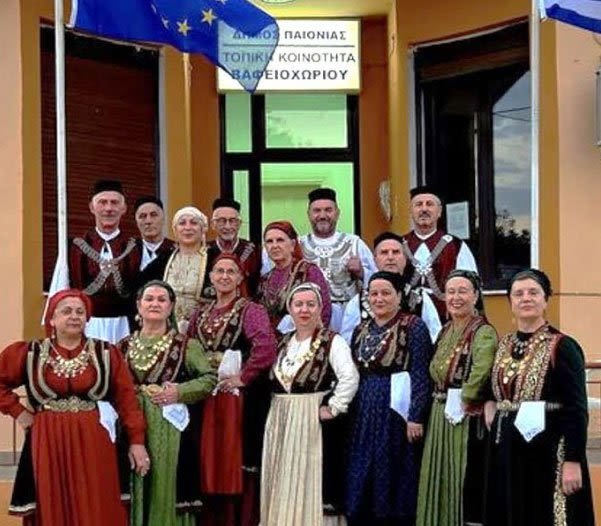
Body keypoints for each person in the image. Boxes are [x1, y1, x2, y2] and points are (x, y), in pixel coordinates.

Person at [0, 289, 149, 526]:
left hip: (93, 435)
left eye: (80, 312)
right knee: (52, 496)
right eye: (66, 311)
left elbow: (127, 399)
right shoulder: (30, 353)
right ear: (52, 319)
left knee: (95, 498)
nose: (74, 316)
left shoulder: (106, 353)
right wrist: (19, 412)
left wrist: (137, 441)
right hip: (47, 437)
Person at [482, 269, 595, 526]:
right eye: (518, 294)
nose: (526, 298)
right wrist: (489, 402)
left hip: (548, 451)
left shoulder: (562, 346)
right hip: (507, 449)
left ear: (546, 299)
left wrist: (573, 460)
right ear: (510, 302)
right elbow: (494, 384)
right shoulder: (505, 344)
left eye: (533, 292)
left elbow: (576, 408)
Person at [187, 254, 278, 526]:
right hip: (205, 396)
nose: (224, 276)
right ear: (211, 277)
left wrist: (244, 376)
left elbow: (266, 347)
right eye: (219, 271)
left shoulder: (251, 310)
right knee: (205, 455)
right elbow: (188, 348)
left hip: (236, 400)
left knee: (232, 455)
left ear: (240, 278)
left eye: (231, 272)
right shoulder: (200, 313)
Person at [261, 282, 359, 526]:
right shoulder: (283, 342)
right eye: (299, 305)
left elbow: (349, 376)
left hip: (310, 419)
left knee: (309, 475)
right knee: (282, 474)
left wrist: (334, 406)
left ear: (320, 308)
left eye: (310, 304)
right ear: (290, 309)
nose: (304, 310)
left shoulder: (332, 341)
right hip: (281, 417)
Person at [119, 280, 216, 526]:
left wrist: (180, 392)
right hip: (130, 424)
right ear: (138, 305)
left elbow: (209, 379)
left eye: (162, 300)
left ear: (171, 307)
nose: (155, 304)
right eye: (149, 299)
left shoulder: (186, 345)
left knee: (164, 483)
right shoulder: (122, 346)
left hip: (169, 428)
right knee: (132, 479)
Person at [346, 271, 433, 526]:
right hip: (365, 409)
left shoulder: (413, 326)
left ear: (399, 296)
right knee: (363, 469)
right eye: (373, 294)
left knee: (393, 470)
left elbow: (420, 374)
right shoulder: (361, 329)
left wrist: (416, 416)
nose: (379, 299)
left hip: (396, 411)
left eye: (386, 293)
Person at [416, 270, 497, 526]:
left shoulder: (483, 332)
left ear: (476, 296)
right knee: (437, 474)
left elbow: (482, 369)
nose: (456, 297)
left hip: (466, 415)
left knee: (460, 477)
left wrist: (466, 397)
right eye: (451, 292)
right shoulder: (445, 330)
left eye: (463, 291)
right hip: (439, 413)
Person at [54, 180, 139, 343]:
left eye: (114, 203)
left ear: (124, 209)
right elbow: (62, 288)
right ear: (92, 208)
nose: (108, 208)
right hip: (86, 324)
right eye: (102, 202)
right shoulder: (74, 247)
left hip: (125, 325)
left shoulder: (135, 247)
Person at [401, 186, 477, 342]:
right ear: (411, 211)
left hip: (447, 320)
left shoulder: (456, 246)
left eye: (429, 204)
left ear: (439, 211)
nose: (424, 209)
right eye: (418, 204)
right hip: (406, 320)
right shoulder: (398, 245)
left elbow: (470, 285)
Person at [299, 188, 377, 332]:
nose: (322, 216)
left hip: (347, 314)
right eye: (317, 211)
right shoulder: (298, 246)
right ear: (309, 214)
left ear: (337, 213)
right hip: (309, 314)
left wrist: (361, 272)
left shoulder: (354, 243)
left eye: (328, 210)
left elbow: (377, 280)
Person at [143, 206, 209, 333]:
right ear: (175, 230)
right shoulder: (164, 259)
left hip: (202, 327)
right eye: (182, 223)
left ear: (203, 229)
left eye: (194, 223)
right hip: (166, 326)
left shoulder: (214, 259)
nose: (187, 228)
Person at [258, 220, 332, 334]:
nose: (274, 246)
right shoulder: (265, 279)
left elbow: (324, 309)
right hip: (271, 340)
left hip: (304, 337)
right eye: (269, 241)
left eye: (280, 240)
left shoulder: (308, 271)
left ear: (292, 244)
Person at [204, 198, 261, 299]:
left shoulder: (252, 250)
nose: (227, 226)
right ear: (213, 225)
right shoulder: (205, 251)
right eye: (222, 221)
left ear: (239, 224)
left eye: (232, 221)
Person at [133, 196, 175, 271]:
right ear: (136, 221)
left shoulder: (176, 250)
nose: (148, 221)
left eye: (153, 215)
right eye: (142, 216)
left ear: (163, 218)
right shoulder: (129, 252)